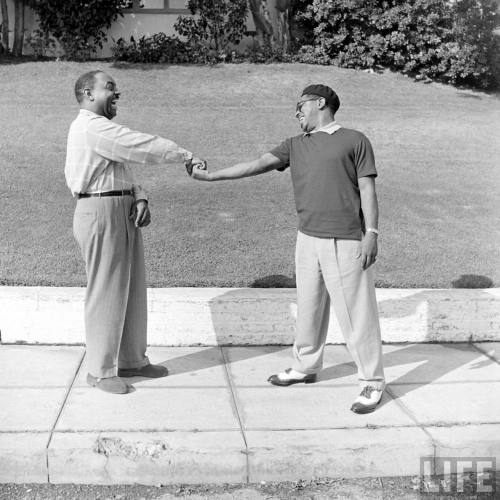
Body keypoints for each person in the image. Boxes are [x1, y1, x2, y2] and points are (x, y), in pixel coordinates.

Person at [189, 84, 385, 414]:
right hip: (307, 238)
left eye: (301, 105)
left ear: (320, 103)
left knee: (356, 314)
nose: (296, 112)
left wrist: (372, 233)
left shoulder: (354, 140)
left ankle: (372, 381)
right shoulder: (295, 145)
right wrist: (211, 177)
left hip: (346, 238)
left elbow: (368, 189)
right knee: (308, 308)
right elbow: (257, 164)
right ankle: (306, 366)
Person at [65, 70, 205, 394]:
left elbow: (118, 168)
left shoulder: (100, 131)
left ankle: (131, 361)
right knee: (106, 291)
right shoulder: (91, 126)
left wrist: (139, 195)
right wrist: (185, 154)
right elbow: (139, 146)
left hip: (119, 208)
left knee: (131, 288)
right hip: (100, 213)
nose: (117, 93)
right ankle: (100, 372)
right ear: (88, 93)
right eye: (109, 87)